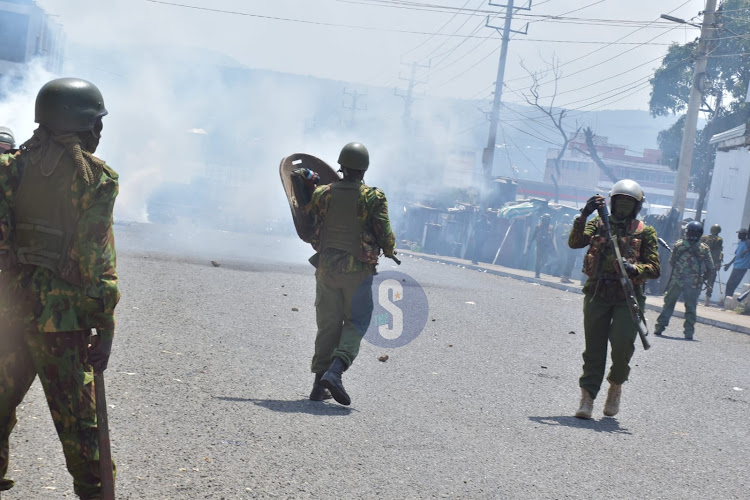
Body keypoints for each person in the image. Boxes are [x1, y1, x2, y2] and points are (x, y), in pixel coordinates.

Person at [0, 78, 119, 499]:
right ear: (81, 128)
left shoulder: (9, 169)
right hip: (64, 325)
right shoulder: (97, 180)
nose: (99, 132)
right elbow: (95, 260)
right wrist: (104, 326)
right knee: (80, 428)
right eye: (96, 123)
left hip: (8, 317)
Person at [308, 142, 396, 406]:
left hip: (326, 267)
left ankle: (317, 384)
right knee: (357, 320)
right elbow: (384, 232)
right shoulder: (373, 197)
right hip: (357, 271)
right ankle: (336, 371)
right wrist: (390, 249)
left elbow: (312, 228)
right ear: (364, 168)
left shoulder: (322, 193)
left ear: (341, 166)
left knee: (328, 324)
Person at [568, 180, 660, 419]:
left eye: (628, 203)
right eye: (619, 202)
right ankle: (587, 397)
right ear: (612, 202)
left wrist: (634, 269)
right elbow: (575, 242)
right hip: (598, 293)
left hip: (627, 297)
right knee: (594, 349)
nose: (623, 207)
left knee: (622, 346)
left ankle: (615, 386)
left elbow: (655, 268)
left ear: (636, 207)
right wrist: (584, 214)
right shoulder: (598, 224)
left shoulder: (645, 231)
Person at [654, 222, 713, 339]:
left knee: (669, 305)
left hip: (677, 280)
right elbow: (710, 268)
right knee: (691, 307)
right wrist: (701, 277)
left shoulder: (679, 245)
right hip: (694, 283)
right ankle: (689, 332)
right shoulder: (704, 248)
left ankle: (660, 328)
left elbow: (672, 262)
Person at [719, 227, 750, 307]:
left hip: (741, 267)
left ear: (744, 234)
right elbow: (736, 256)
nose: (738, 235)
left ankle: (726, 303)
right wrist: (729, 265)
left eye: (740, 234)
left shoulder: (747, 242)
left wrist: (746, 251)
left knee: (731, 285)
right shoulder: (741, 243)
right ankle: (727, 301)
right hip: (737, 266)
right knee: (730, 285)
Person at [527, 213, 556, 279]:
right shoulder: (538, 226)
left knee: (545, 260)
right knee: (538, 260)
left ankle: (540, 268)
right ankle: (537, 274)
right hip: (539, 245)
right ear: (542, 219)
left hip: (547, 246)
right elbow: (533, 235)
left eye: (547, 219)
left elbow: (552, 238)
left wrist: (553, 247)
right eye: (544, 219)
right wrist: (530, 244)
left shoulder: (551, 228)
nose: (546, 221)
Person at [700, 224, 723, 306]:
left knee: (700, 279)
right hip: (712, 263)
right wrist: (718, 262)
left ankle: (695, 297)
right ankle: (707, 301)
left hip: (703, 261)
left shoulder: (704, 237)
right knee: (711, 281)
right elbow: (718, 252)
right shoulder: (719, 240)